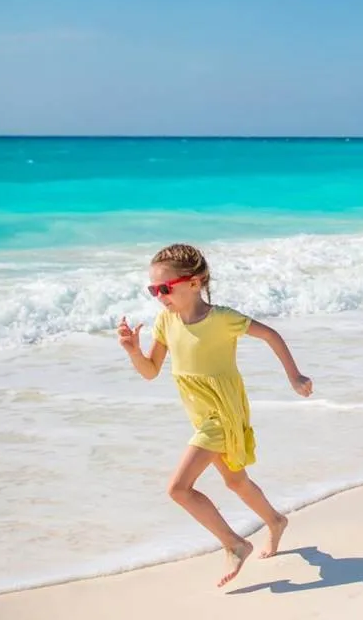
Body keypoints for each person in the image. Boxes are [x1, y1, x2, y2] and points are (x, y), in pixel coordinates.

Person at [117, 243, 314, 587]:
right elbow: (150, 371)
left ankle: (234, 544)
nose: (159, 296)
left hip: (222, 413)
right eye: (153, 290)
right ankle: (275, 521)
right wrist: (134, 351)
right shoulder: (166, 321)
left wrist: (294, 376)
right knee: (236, 481)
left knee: (179, 489)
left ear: (195, 283)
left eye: (165, 288)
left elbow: (270, 335)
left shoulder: (221, 319)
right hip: (200, 414)